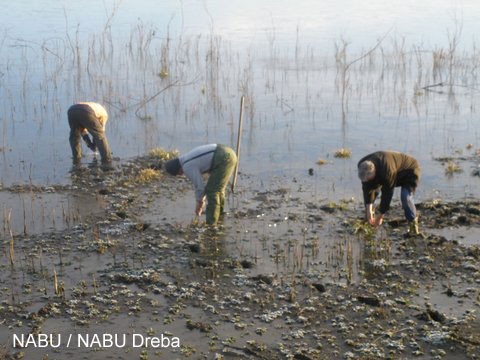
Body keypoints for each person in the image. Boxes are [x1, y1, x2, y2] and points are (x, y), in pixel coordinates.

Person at [164, 144, 237, 225]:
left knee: (212, 191)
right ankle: (220, 214)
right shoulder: (185, 158)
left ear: (177, 170)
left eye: (178, 174)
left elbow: (200, 187)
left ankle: (211, 223)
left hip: (224, 158)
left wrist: (199, 203)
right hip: (228, 152)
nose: (181, 175)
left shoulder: (187, 167)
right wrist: (201, 200)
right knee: (218, 188)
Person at [357, 151, 421, 235]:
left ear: (374, 172)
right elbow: (367, 188)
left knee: (406, 198)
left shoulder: (386, 171)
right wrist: (368, 210)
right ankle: (368, 218)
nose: (367, 182)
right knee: (372, 186)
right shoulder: (362, 165)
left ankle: (413, 226)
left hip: (409, 170)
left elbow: (387, 194)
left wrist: (380, 216)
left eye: (368, 179)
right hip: (392, 170)